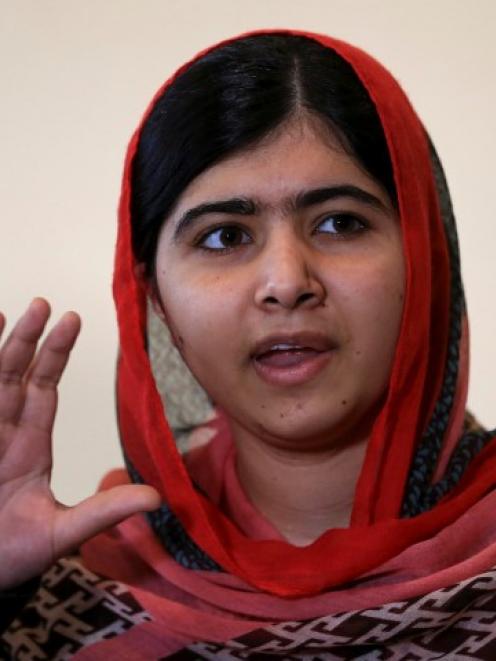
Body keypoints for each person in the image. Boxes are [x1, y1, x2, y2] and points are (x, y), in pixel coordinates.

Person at [1, 27, 496, 659]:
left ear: (425, 258)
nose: (286, 282)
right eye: (223, 237)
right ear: (154, 298)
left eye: (340, 223)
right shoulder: (82, 588)